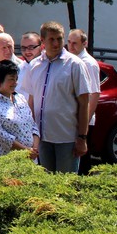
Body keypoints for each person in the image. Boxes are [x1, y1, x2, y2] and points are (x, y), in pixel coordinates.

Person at [21, 21, 91, 173]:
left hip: (67, 138)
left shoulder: (75, 65)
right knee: (47, 183)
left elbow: (84, 103)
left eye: (59, 39)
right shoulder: (34, 66)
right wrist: (31, 134)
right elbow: (31, 101)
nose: (56, 43)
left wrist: (82, 137)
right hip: (42, 138)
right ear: (42, 41)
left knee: (65, 183)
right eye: (51, 39)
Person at [0, 59, 38, 161]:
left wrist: (34, 149)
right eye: (11, 79)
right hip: (6, 161)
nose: (15, 83)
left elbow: (33, 125)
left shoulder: (20, 98)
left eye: (16, 79)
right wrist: (25, 150)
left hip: (29, 159)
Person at [66, 28, 101, 174]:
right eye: (69, 42)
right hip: (73, 118)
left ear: (84, 43)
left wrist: (84, 123)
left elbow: (94, 94)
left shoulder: (89, 63)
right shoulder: (71, 60)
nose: (71, 46)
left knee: (82, 160)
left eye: (75, 43)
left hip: (84, 121)